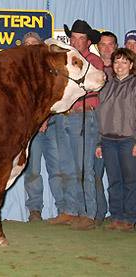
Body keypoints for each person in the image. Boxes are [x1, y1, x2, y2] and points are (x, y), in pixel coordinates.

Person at [49, 20, 104, 230]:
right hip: (64, 116)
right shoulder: (67, 61)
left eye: (81, 39)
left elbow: (95, 86)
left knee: (84, 167)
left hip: (83, 116)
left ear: (88, 42)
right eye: (73, 38)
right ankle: (72, 211)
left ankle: (89, 213)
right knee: (68, 166)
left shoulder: (94, 62)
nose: (76, 42)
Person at [21, 32, 64, 222]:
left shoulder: (52, 69)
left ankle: (64, 209)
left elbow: (58, 96)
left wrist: (45, 116)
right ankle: (35, 210)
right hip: (32, 127)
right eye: (26, 44)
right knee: (32, 170)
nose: (30, 46)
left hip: (51, 122)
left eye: (34, 43)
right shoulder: (20, 73)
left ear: (41, 47)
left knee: (57, 168)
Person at [96, 48, 136, 232]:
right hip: (108, 139)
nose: (119, 65)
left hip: (128, 139)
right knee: (113, 180)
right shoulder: (106, 85)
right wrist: (99, 141)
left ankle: (129, 217)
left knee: (130, 180)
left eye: (124, 62)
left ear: (131, 65)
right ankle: (116, 216)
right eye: (116, 62)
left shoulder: (134, 85)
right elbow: (100, 115)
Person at [94, 31, 118, 225]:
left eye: (111, 44)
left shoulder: (124, 71)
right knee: (95, 173)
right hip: (96, 127)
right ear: (98, 46)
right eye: (103, 44)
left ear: (116, 47)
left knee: (118, 175)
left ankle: (121, 216)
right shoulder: (93, 69)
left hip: (119, 130)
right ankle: (99, 213)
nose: (107, 48)